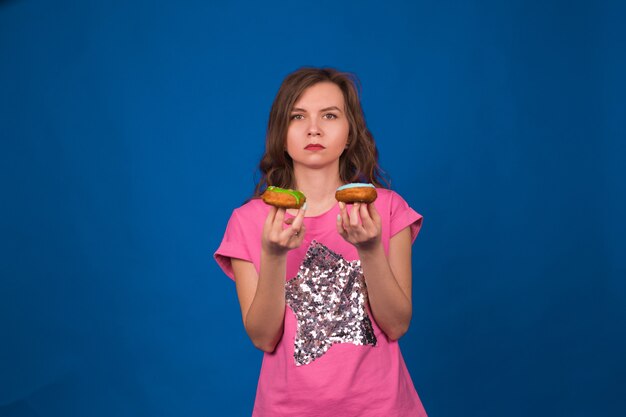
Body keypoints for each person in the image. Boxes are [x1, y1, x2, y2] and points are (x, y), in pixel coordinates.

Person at [214, 67, 427, 417]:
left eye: (329, 115)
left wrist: (370, 249)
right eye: (298, 116)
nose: (314, 128)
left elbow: (397, 325)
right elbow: (264, 338)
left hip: (383, 408)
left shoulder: (387, 209)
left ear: (349, 133)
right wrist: (274, 254)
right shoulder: (250, 221)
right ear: (281, 133)